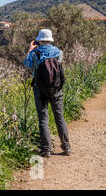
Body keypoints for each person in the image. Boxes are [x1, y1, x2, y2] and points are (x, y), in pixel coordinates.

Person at [24, 29, 71, 157]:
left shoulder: (35, 52)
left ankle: (46, 149)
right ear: (50, 40)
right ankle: (66, 147)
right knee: (59, 117)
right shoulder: (58, 52)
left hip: (39, 89)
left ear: (39, 40)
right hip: (56, 89)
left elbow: (27, 65)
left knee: (43, 119)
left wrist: (29, 50)